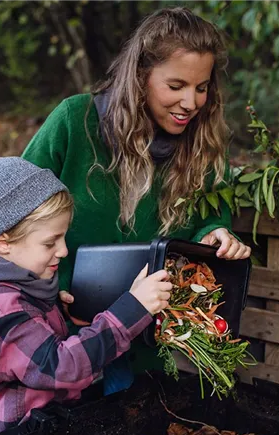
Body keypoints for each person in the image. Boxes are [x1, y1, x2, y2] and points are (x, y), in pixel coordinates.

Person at [22, 7, 251, 393]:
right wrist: (50, 287)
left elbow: (208, 217)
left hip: (142, 344)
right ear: (141, 75)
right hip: (59, 337)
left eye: (201, 87)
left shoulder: (203, 148)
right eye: (175, 85)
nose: (191, 103)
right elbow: (14, 213)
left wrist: (216, 233)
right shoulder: (75, 122)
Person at [0, 157, 173, 435]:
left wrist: (55, 309)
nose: (62, 251)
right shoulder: (0, 305)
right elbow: (61, 366)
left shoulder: (15, 276)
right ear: (3, 243)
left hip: (53, 423)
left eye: (63, 238)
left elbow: (31, 328)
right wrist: (132, 310)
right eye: (50, 242)